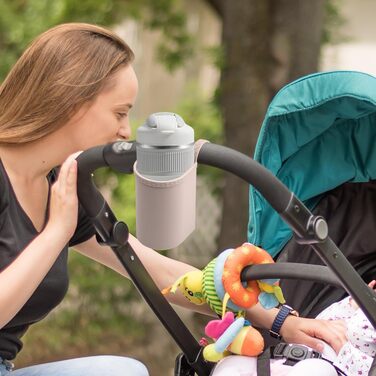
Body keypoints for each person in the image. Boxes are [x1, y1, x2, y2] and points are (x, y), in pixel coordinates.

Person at [0, 23, 347, 375]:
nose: (125, 130)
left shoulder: (61, 187)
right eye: (120, 112)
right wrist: (56, 233)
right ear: (71, 101)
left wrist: (277, 322)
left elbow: (154, 270)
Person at [212, 281, 376, 376]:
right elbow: (329, 317)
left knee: (316, 371)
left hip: (325, 367)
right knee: (229, 365)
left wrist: (347, 352)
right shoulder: (352, 308)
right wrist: (358, 299)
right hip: (276, 361)